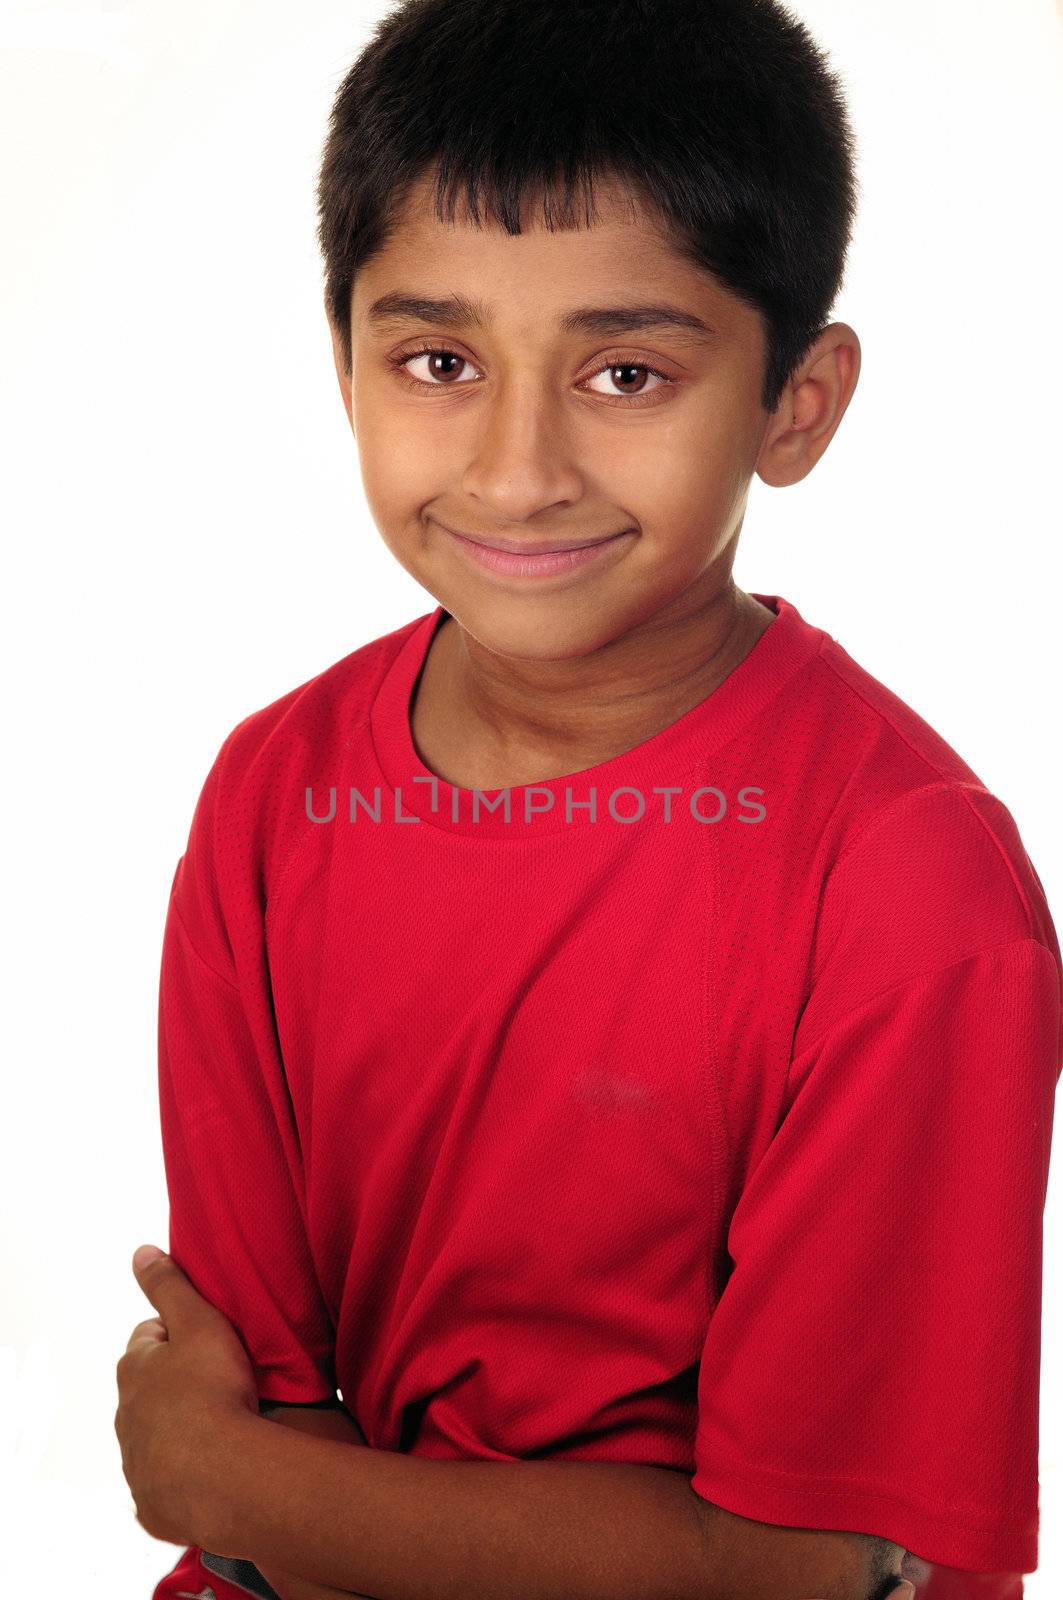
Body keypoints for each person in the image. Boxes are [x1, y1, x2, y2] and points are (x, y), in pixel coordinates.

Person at [138, 1, 1060, 1597]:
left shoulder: (910, 901)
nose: (516, 469)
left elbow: (808, 1569)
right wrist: (243, 1482)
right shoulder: (274, 795)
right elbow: (257, 1439)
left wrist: (227, 1479)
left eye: (626, 372)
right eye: (439, 360)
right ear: (345, 369)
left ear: (796, 405)